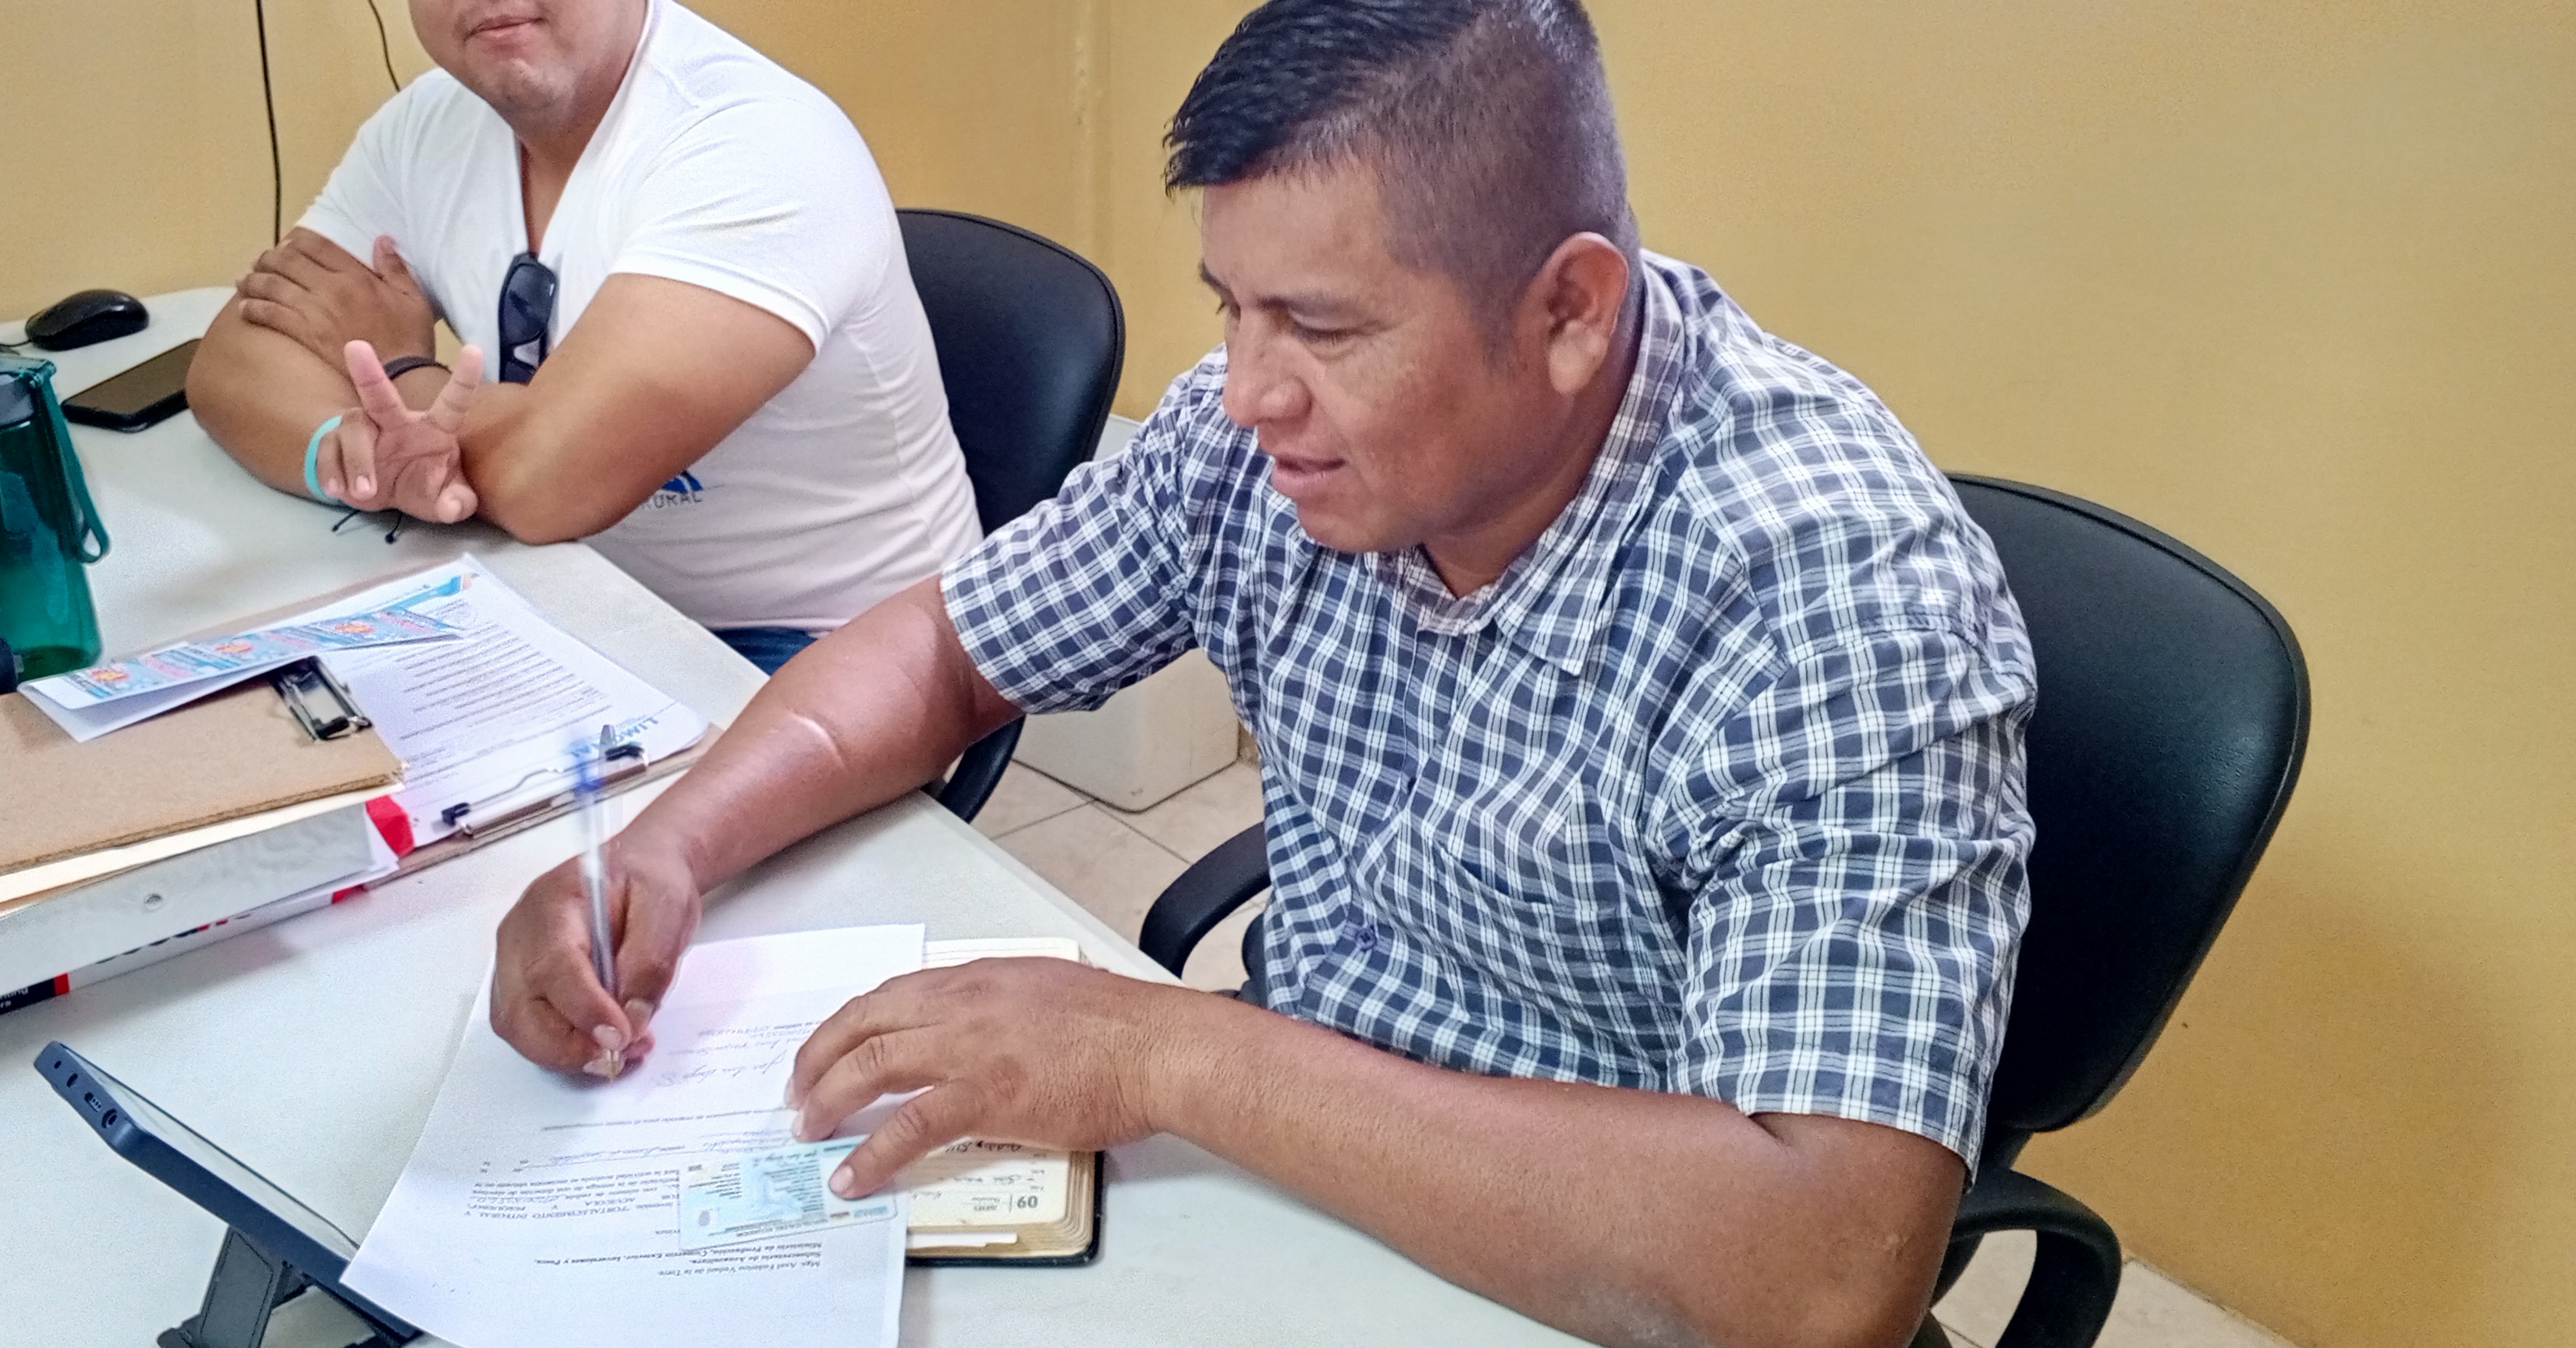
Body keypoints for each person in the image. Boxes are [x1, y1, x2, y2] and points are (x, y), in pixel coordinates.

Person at [490, 0, 2036, 1343]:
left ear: (1569, 312)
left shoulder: (1833, 601)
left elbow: (1819, 1272)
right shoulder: (1266, 445)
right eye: (1231, 307)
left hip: (1603, 1274)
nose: (1245, 393)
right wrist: (668, 851)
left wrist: (1169, 1052)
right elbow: (945, 648)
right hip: (1292, 1169)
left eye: (1322, 327)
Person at [183, 0, 981, 673]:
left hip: (829, 647)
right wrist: (355, 454)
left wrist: (399, 372)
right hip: (570, 594)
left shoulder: (758, 143)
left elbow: (549, 485)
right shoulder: (425, 125)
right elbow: (233, 364)